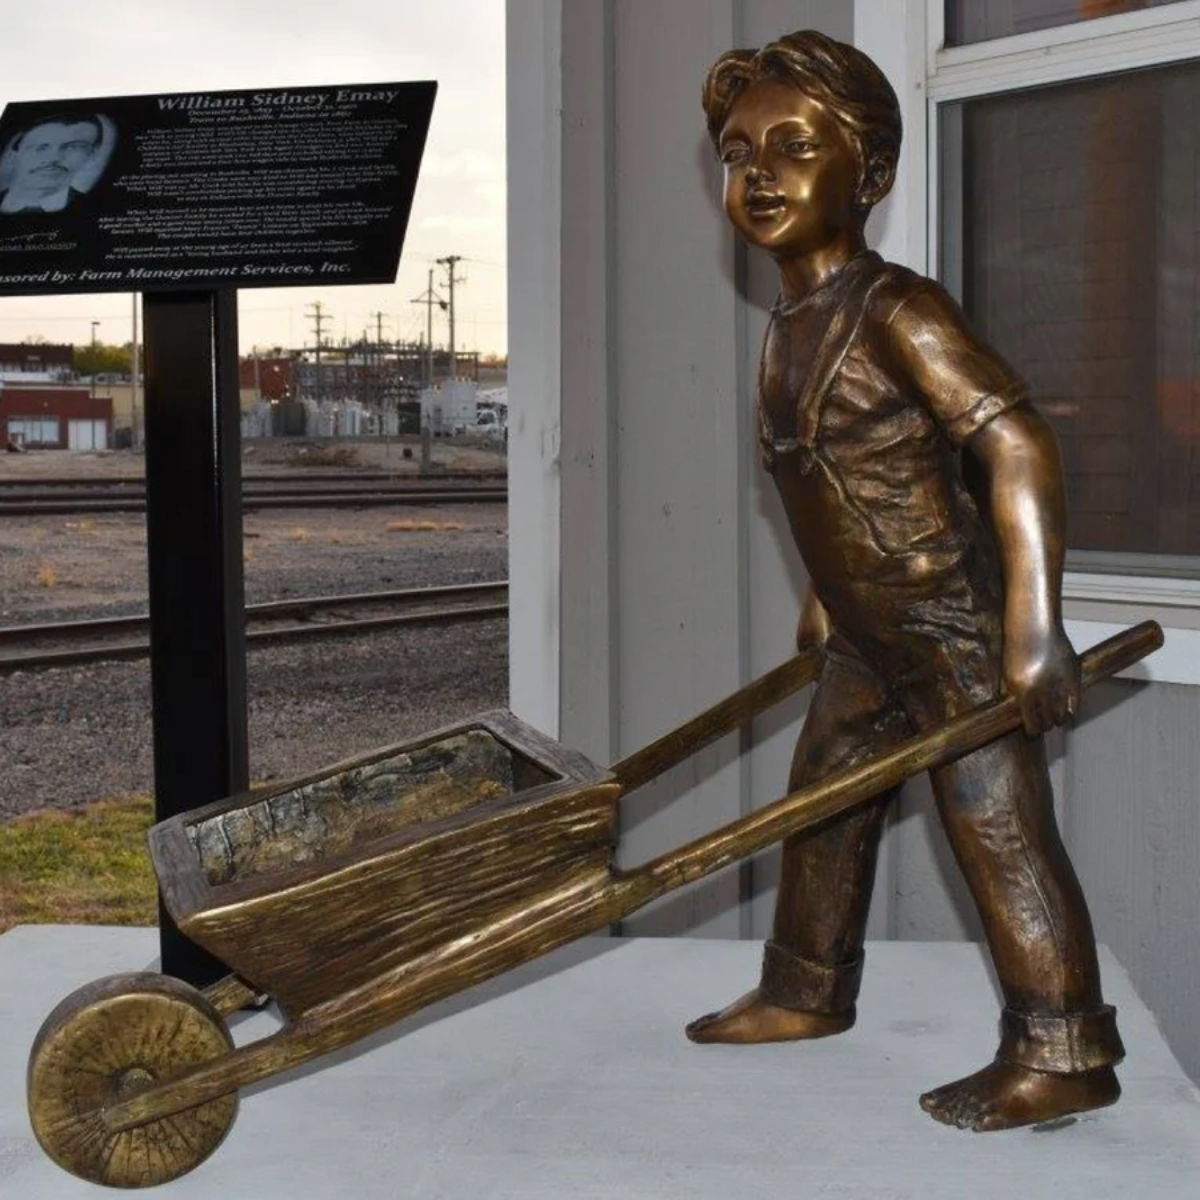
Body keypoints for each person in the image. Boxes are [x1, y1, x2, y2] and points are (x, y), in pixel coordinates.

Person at [686, 30, 1124, 1132]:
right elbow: (842, 480)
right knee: (823, 809)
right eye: (738, 154)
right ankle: (804, 990)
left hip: (954, 629)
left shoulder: (897, 311)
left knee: (999, 831)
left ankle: (1064, 1050)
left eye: (794, 146)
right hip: (870, 635)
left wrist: (1033, 625)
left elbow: (1016, 446)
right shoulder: (789, 325)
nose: (759, 174)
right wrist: (829, 592)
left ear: (868, 173)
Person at [0, 113, 114, 215]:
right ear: (12, 155)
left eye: (73, 147)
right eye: (41, 147)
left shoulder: (100, 210)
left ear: (92, 154)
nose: (54, 158)